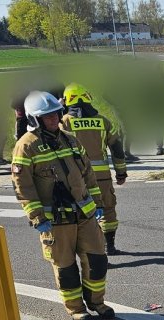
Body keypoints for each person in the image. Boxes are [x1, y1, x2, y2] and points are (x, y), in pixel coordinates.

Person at [11, 91, 114, 320]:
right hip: (55, 220)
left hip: (84, 214)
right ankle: (76, 308)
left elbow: (87, 173)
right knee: (66, 268)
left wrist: (96, 203)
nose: (53, 119)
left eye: (55, 114)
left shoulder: (69, 138)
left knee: (97, 260)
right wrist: (37, 216)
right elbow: (22, 185)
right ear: (34, 119)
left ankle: (97, 302)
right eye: (47, 117)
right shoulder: (26, 146)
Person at [62, 84, 128, 255]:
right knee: (108, 209)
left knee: (83, 213)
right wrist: (121, 172)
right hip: (102, 177)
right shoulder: (103, 121)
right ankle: (110, 246)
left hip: (77, 179)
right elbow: (117, 149)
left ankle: (90, 248)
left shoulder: (65, 123)